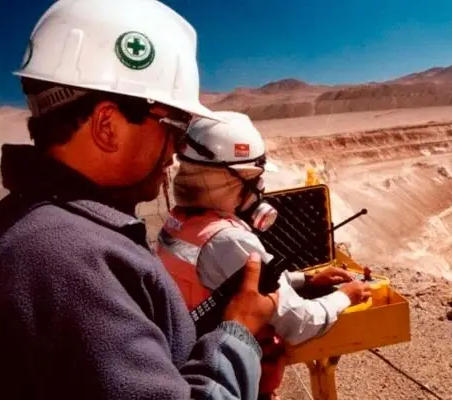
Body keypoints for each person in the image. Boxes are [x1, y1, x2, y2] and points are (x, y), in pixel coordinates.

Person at [0, 1, 278, 399]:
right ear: (108, 126)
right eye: (174, 126)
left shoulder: (41, 225)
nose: (176, 149)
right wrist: (239, 333)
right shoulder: (68, 260)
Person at [156, 110, 373, 400]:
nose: (260, 189)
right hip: (232, 380)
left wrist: (305, 280)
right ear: (234, 178)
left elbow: (234, 283)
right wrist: (347, 295)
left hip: (197, 361)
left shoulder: (178, 223)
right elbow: (300, 323)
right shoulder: (231, 240)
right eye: (255, 178)